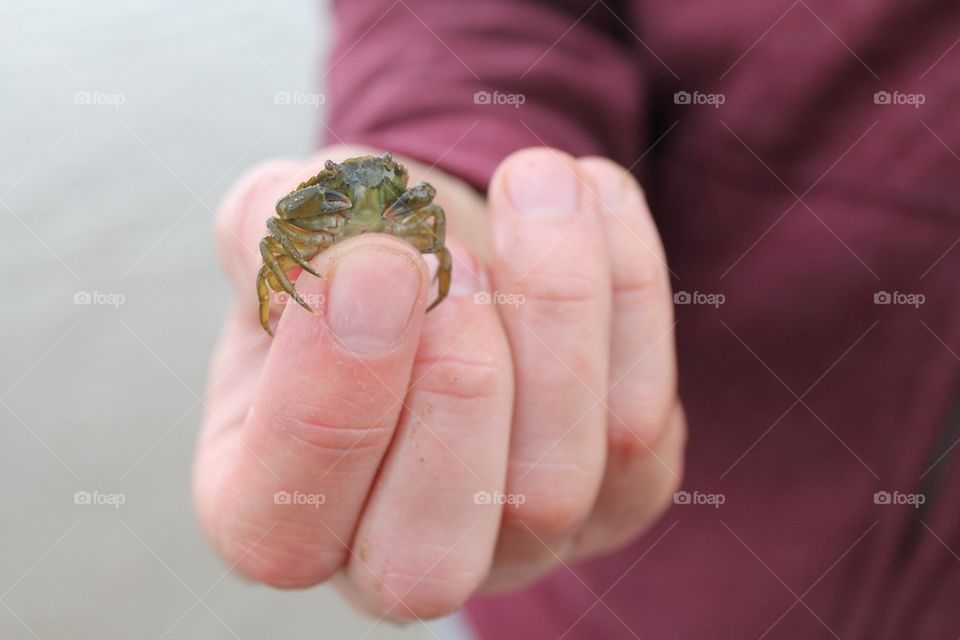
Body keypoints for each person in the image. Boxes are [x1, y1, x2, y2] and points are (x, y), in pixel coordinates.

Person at [193, 1, 960, 637]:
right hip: (607, 586)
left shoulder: (399, 206)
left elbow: (419, 223)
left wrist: (431, 222)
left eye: (389, 187)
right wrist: (454, 161)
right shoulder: (341, 203)